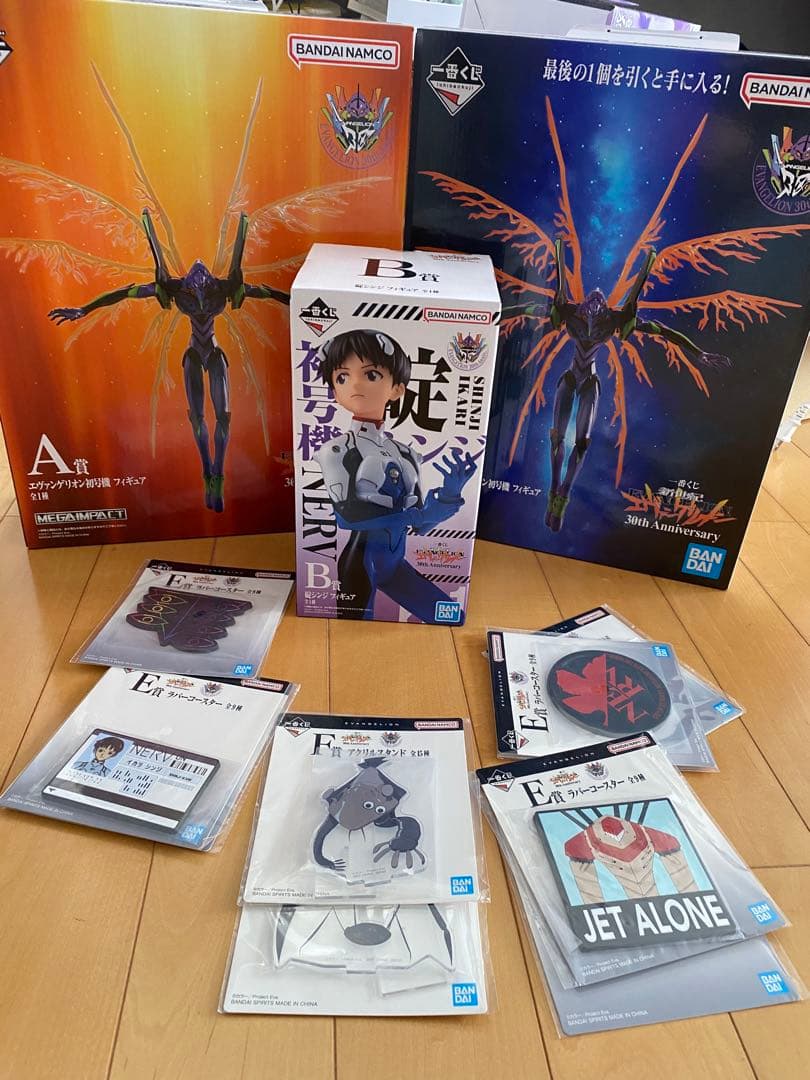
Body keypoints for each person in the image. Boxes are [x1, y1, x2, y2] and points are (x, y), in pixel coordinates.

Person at [315, 329, 476, 621]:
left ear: (397, 389)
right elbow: (347, 517)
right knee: (351, 638)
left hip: (395, 565)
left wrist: (449, 496)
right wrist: (415, 516)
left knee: (453, 617)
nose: (355, 384)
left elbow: (422, 526)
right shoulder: (337, 450)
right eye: (342, 377)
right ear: (335, 392)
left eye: (371, 374)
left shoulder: (406, 454)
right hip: (360, 566)